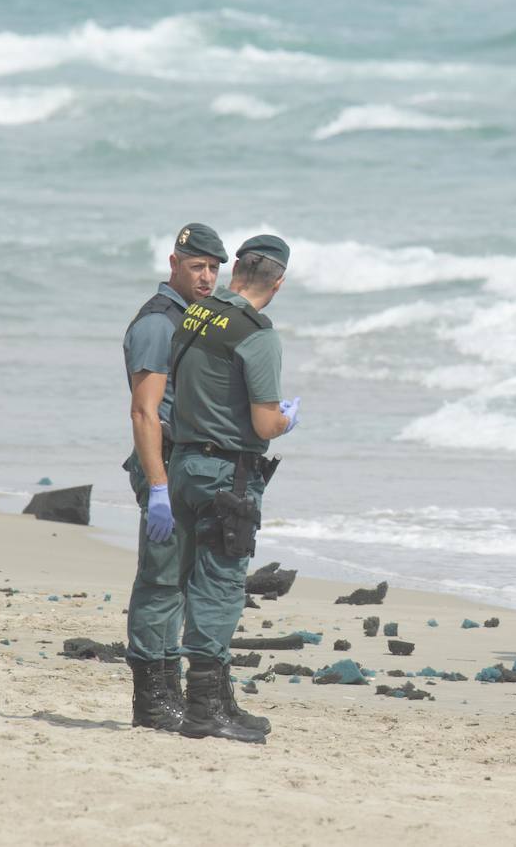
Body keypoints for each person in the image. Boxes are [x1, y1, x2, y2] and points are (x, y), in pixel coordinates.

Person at [167, 234, 297, 744]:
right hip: (226, 473)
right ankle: (204, 708)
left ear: (235, 269)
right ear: (278, 283)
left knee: (190, 579)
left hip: (184, 461)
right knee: (220, 587)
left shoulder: (196, 315)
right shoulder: (257, 334)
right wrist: (288, 419)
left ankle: (219, 700)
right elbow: (264, 423)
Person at [122, 222, 227, 731]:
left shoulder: (194, 318)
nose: (207, 278)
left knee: (180, 585)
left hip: (186, 465)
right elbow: (144, 413)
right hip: (162, 464)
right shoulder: (158, 324)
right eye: (197, 267)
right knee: (160, 583)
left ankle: (173, 690)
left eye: (214, 269)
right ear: (174, 264)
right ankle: (152, 697)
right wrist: (158, 486)